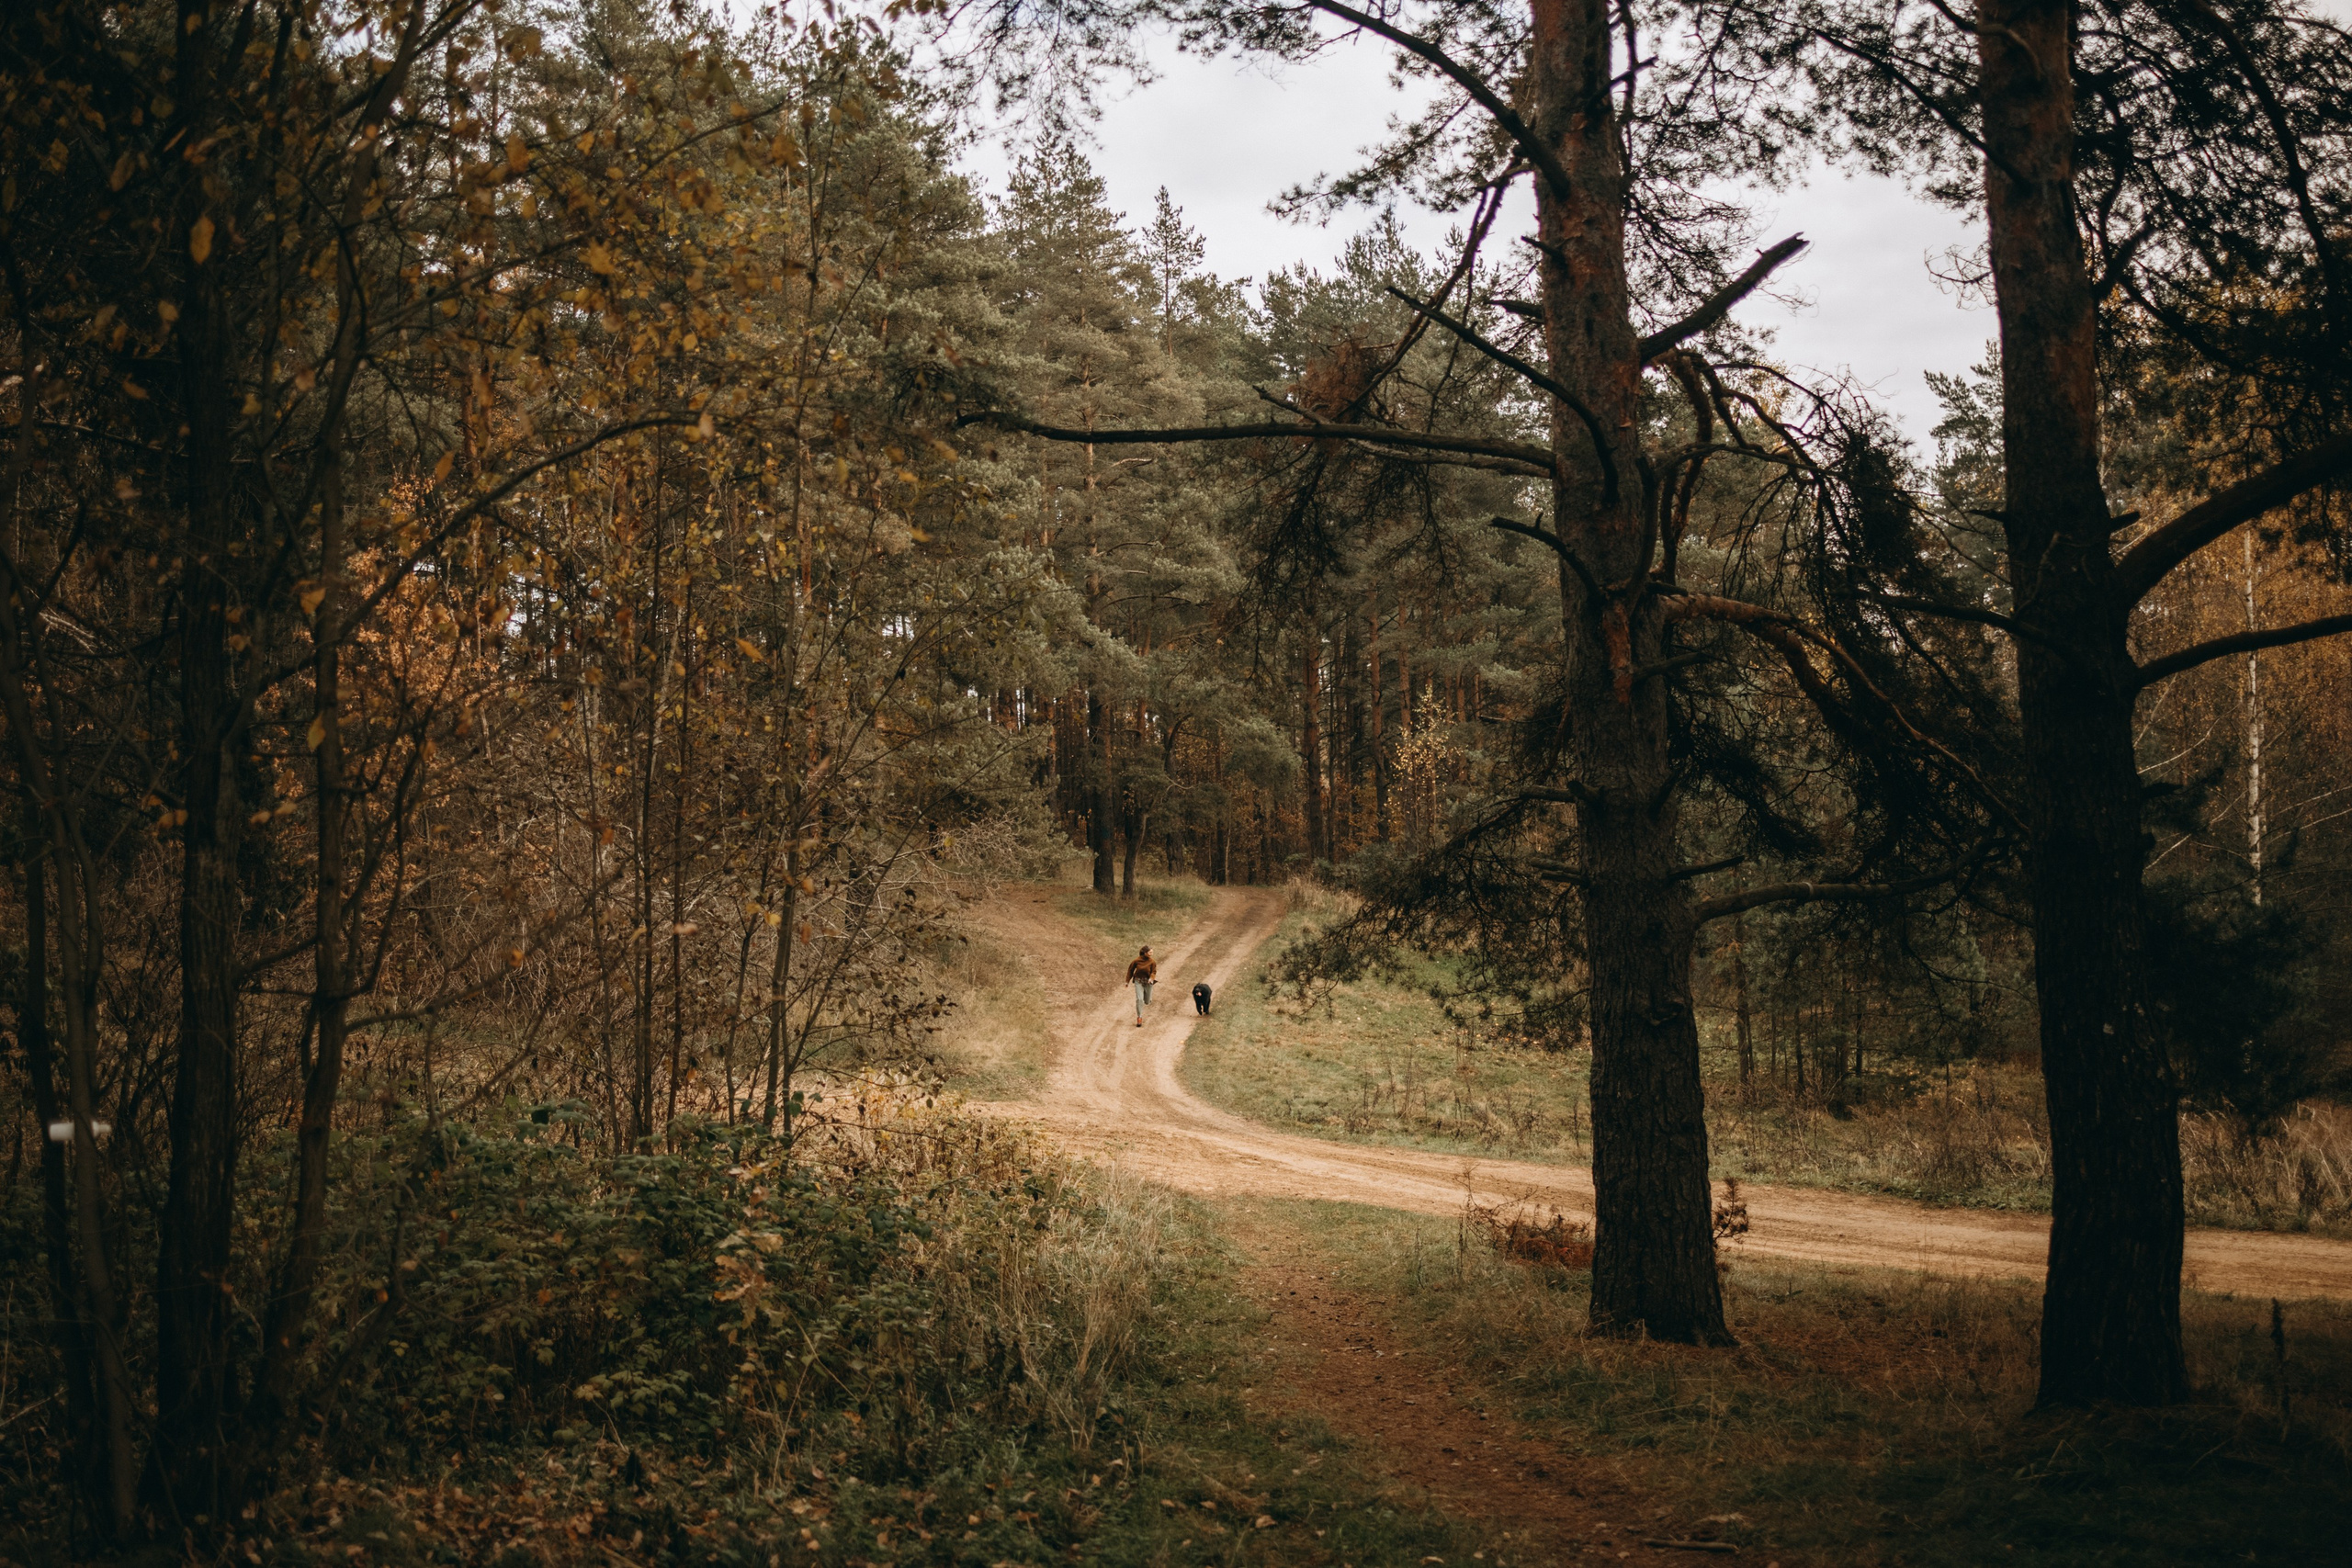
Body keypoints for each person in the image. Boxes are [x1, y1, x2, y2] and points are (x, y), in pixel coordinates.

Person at [1125, 946, 1157, 1027]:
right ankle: (1139, 1017)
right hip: (1138, 981)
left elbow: (1153, 972)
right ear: (1145, 953)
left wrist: (1151, 978)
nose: (1151, 954)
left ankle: (1148, 999)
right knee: (1139, 999)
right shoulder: (1136, 961)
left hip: (1148, 982)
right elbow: (1130, 970)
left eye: (1152, 952)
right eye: (1150, 953)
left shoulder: (1152, 962)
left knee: (1147, 1001)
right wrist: (1127, 981)